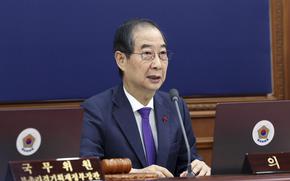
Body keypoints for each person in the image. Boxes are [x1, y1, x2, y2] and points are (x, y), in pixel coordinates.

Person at [80, 18, 211, 177]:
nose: (157, 64)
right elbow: (86, 168)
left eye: (162, 54)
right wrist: (135, 174)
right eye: (147, 54)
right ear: (121, 59)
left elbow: (186, 162)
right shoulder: (96, 110)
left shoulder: (175, 106)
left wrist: (197, 167)